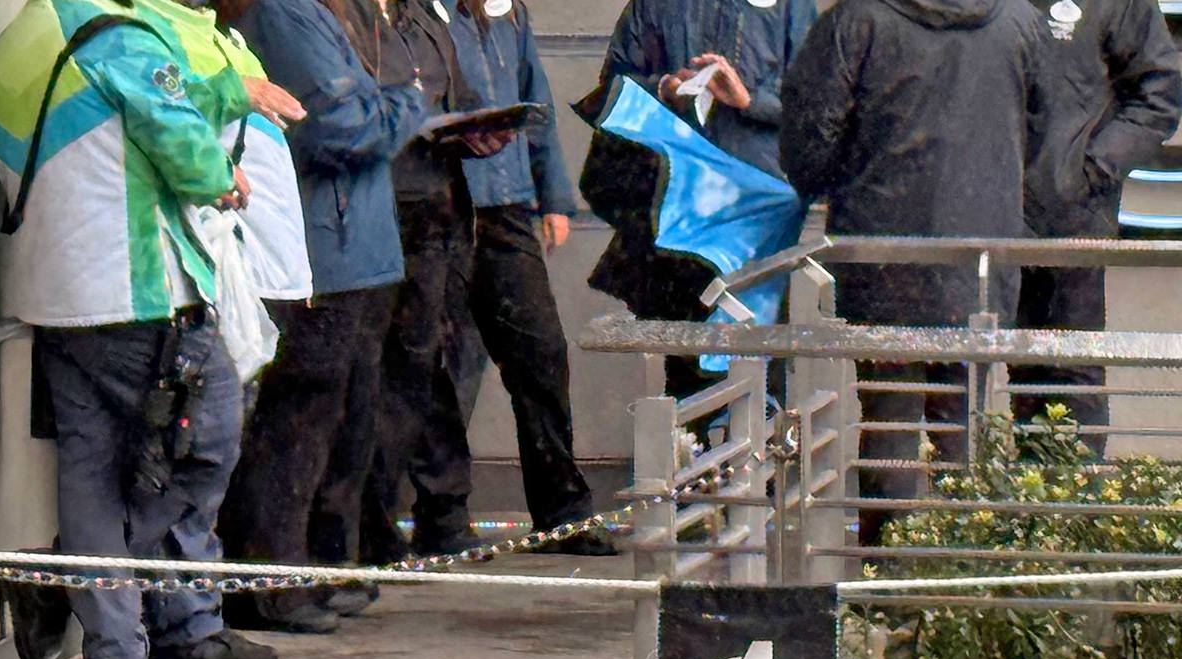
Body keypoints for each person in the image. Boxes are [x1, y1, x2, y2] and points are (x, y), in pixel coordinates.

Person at [0, 0, 297, 659]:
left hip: (53, 293)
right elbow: (183, 145)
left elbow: (123, 109)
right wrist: (220, 173)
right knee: (207, 446)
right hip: (140, 289)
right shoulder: (118, 36)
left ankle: (116, 658)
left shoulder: (18, 43)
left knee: (92, 471)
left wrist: (223, 91)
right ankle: (66, 578)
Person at [777, 0, 1047, 545]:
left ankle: (885, 585)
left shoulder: (859, 20)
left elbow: (810, 135)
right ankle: (954, 577)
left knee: (890, 421)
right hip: (983, 254)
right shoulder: (1020, 20)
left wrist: (846, 186)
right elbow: (1044, 131)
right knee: (962, 422)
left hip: (884, 252)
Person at [212, 0, 427, 634]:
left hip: (351, 246)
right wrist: (411, 104)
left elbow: (356, 116)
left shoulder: (322, 14)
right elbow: (336, 128)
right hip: (320, 251)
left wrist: (392, 107)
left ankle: (309, 568)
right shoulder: (284, 14)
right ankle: (270, 584)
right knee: (297, 424)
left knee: (337, 423)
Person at [324, 0, 512, 563]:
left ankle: (423, 516)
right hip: (374, 213)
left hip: (438, 210)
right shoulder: (338, 18)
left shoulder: (427, 20)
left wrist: (478, 132)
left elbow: (463, 101)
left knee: (423, 373)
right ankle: (363, 527)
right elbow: (347, 118)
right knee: (366, 379)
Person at [434, 0, 614, 554]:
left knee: (541, 356)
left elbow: (536, 107)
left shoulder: (510, 14)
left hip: (506, 206)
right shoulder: (425, 15)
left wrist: (553, 197)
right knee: (445, 367)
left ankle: (563, 512)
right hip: (443, 208)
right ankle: (441, 518)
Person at [579, 0, 816, 412]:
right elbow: (614, 85)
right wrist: (665, 88)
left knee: (757, 357)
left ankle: (755, 467)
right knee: (688, 361)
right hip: (679, 208)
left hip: (757, 215)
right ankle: (693, 466)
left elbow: (816, 99)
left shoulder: (791, 8)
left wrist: (748, 100)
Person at [1014, 0, 1182, 456]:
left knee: (1072, 369)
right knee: (997, 367)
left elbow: (1159, 89)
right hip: (984, 212)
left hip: (1073, 217)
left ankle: (1072, 510)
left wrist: (1093, 168)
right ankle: (1019, 510)